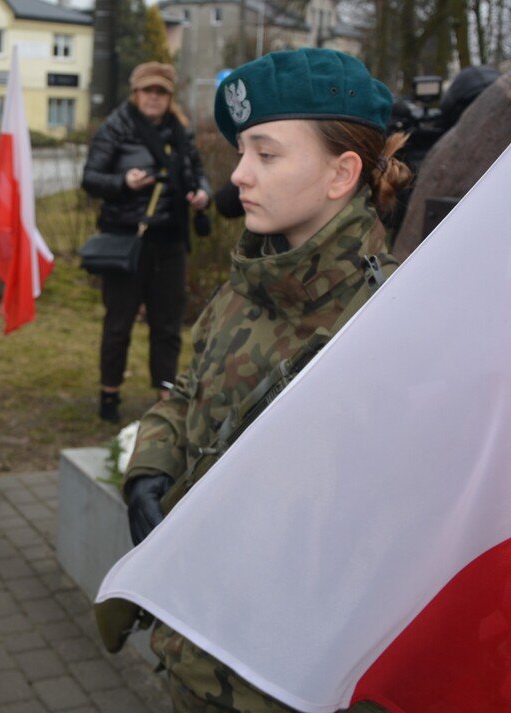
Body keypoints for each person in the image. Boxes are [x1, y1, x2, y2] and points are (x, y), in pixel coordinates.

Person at [121, 48, 412, 711]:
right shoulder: (251, 276)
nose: (240, 174)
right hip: (194, 641)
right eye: (242, 151)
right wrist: (150, 466)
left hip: (286, 680)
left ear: (342, 173)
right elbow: (189, 391)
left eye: (267, 154)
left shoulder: (394, 323)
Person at [82, 62, 211, 423]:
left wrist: (203, 193)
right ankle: (109, 394)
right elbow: (90, 178)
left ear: (170, 97)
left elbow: (198, 170)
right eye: (147, 91)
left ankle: (165, 394)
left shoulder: (180, 131)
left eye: (161, 92)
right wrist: (124, 182)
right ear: (135, 93)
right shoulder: (116, 127)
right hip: (127, 239)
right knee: (119, 322)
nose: (154, 98)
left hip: (170, 238)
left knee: (167, 323)